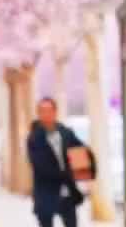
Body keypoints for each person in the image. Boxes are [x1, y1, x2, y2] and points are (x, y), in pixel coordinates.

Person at [27, 97, 92, 227]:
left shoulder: (66, 133)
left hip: (67, 192)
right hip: (45, 193)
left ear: (55, 112)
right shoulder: (34, 138)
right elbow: (40, 166)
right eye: (43, 111)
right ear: (38, 114)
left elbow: (81, 152)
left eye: (49, 110)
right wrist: (65, 173)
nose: (46, 114)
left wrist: (85, 167)